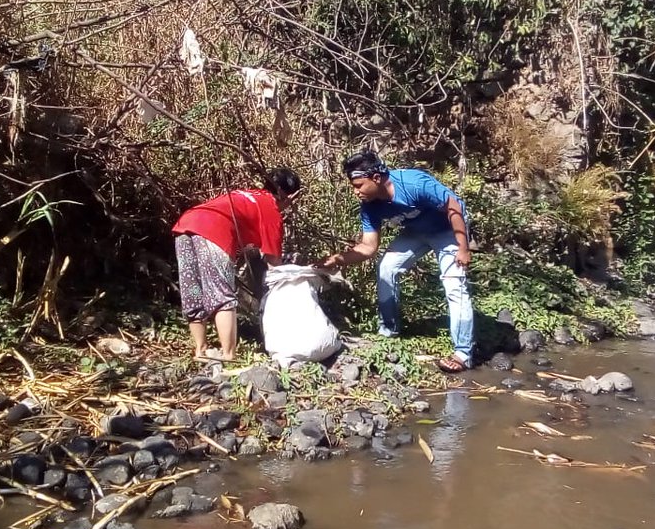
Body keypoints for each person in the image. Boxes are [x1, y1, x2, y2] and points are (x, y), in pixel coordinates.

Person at [320, 151, 475, 372]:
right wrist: (336, 260)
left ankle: (462, 354)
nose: (356, 192)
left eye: (359, 185)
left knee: (454, 285)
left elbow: (453, 208)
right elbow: (368, 247)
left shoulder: (414, 183)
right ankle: (388, 331)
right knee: (386, 268)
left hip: (449, 230)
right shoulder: (370, 205)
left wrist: (463, 247)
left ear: (376, 178)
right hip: (417, 232)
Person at [173, 168, 302, 361]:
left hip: (186, 225)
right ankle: (228, 354)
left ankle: (200, 350)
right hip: (213, 230)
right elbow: (274, 263)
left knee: (194, 292)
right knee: (222, 294)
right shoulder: (270, 207)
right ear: (291, 195)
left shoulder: (248, 194)